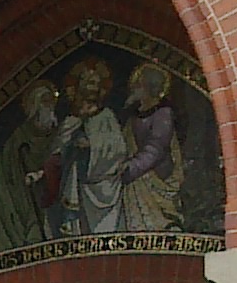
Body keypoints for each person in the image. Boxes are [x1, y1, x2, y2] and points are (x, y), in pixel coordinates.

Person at [0, 79, 63, 252]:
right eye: (44, 102)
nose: (49, 107)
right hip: (27, 195)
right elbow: (5, 169)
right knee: (32, 226)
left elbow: (64, 159)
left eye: (50, 102)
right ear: (34, 106)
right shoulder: (21, 135)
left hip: (53, 190)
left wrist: (42, 172)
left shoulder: (60, 133)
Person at [55, 57, 132, 235]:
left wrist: (92, 146)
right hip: (75, 183)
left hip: (102, 184)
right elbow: (56, 152)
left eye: (97, 83)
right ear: (78, 86)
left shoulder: (106, 117)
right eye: (89, 82)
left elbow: (119, 149)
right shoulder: (70, 121)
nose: (93, 87)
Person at [119, 62, 183, 232]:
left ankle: (164, 223)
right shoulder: (134, 114)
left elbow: (157, 146)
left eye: (139, 84)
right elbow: (123, 142)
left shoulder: (163, 113)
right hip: (137, 167)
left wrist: (132, 167)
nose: (135, 88)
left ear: (150, 86)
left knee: (141, 181)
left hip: (156, 171)